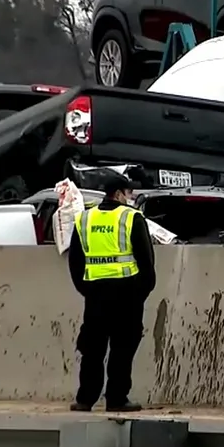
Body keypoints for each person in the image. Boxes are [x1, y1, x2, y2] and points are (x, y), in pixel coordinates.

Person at [66, 174, 156, 412]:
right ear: (118, 194)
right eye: (129, 194)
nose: (131, 199)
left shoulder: (84, 219)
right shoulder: (131, 218)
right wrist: (141, 294)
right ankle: (116, 399)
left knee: (92, 349)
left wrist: (85, 289)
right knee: (123, 349)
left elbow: (75, 261)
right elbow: (146, 262)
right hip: (127, 294)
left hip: (95, 295)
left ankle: (85, 399)